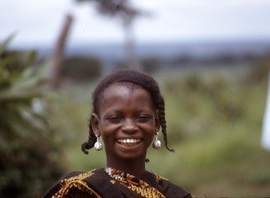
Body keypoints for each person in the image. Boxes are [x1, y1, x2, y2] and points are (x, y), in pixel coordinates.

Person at [43, 69, 191, 198]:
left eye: (142, 118)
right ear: (96, 126)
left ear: (156, 124)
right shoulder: (80, 191)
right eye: (115, 118)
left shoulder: (174, 194)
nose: (130, 127)